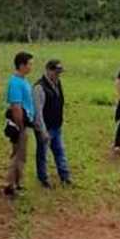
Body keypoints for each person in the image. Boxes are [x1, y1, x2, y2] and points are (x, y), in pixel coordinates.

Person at [33, 59, 71, 187]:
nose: (58, 75)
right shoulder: (39, 87)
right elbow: (37, 112)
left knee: (60, 152)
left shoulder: (58, 83)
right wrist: (42, 131)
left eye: (60, 72)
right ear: (48, 70)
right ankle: (43, 178)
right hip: (45, 128)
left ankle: (65, 177)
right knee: (43, 155)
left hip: (56, 126)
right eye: (56, 72)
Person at [2, 51, 35, 198]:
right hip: (19, 125)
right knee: (18, 155)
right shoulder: (15, 83)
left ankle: (17, 182)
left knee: (21, 155)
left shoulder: (23, 80)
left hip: (25, 123)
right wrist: (20, 127)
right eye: (30, 64)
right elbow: (16, 107)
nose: (31, 67)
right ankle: (10, 186)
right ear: (22, 65)